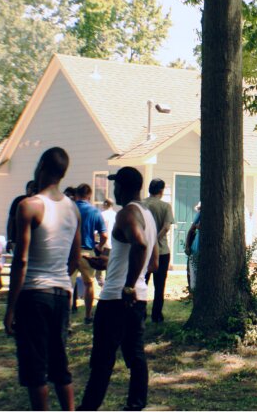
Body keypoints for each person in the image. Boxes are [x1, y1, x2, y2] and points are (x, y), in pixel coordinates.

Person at [3, 147, 81, 410]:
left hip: (33, 294)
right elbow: (74, 258)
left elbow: (21, 260)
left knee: (35, 365)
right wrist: (59, 277)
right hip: (61, 293)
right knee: (59, 362)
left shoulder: (29, 206)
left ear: (43, 167)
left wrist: (10, 308)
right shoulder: (73, 210)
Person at [78, 166, 158, 411]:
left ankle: (88, 407)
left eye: (116, 185)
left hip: (116, 297)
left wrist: (127, 285)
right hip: (139, 297)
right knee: (135, 355)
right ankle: (135, 405)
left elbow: (141, 245)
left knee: (102, 358)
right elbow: (153, 261)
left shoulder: (126, 214)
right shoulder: (149, 216)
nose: (114, 189)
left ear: (122, 188)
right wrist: (110, 263)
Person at [73, 183, 108, 324]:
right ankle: (88, 315)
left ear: (76, 195)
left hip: (71, 252)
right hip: (88, 251)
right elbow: (104, 235)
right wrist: (99, 246)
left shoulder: (70, 209)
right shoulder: (94, 212)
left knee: (69, 285)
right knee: (89, 284)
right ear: (89, 195)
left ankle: (66, 319)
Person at [143, 178, 174, 323]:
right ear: (161, 191)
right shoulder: (165, 206)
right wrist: (155, 238)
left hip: (143, 249)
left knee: (142, 282)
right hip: (162, 251)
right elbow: (167, 226)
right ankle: (157, 314)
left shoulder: (142, 205)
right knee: (159, 284)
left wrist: (148, 240)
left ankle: (141, 312)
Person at [6, 180, 36, 253]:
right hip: (16, 239)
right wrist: (9, 240)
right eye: (30, 188)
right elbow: (10, 221)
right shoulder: (18, 201)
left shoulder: (39, 203)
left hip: (33, 242)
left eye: (35, 188)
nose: (32, 190)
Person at [96, 199, 117, 288]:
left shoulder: (102, 215)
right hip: (114, 246)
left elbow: (96, 231)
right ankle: (108, 286)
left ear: (105, 205)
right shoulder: (116, 215)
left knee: (99, 269)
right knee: (110, 268)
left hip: (103, 245)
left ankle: (102, 287)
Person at [184, 203, 201, 296]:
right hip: (195, 250)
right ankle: (193, 296)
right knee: (193, 277)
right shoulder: (200, 214)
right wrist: (187, 246)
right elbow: (191, 230)